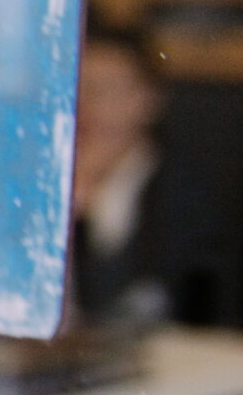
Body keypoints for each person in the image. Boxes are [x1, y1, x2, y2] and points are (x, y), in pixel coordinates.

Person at [68, 16, 234, 326]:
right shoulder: (42, 184)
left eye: (109, 90)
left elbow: (125, 307)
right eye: (79, 87)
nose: (89, 105)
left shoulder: (185, 193)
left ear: (149, 99)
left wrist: (92, 210)